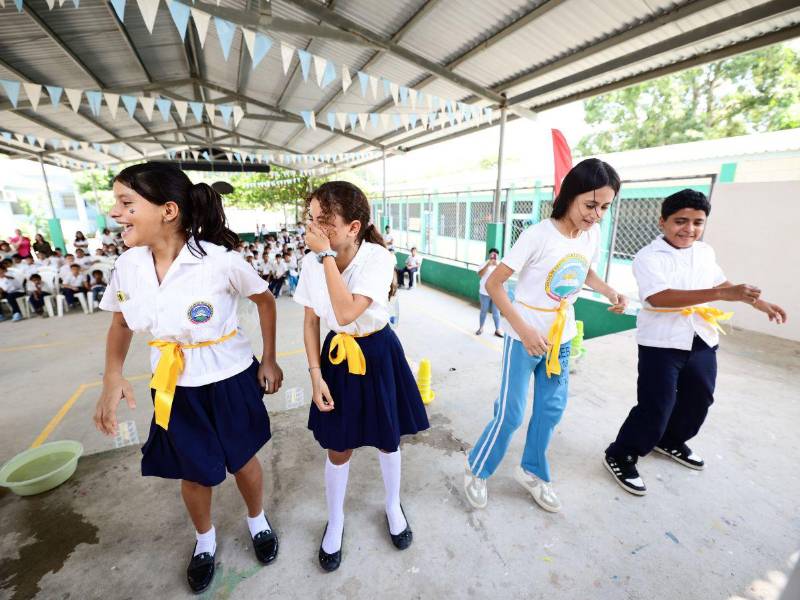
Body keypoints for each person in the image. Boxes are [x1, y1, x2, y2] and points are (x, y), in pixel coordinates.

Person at [92, 162, 284, 593]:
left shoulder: (219, 262)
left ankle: (257, 521)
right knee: (193, 472)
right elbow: (122, 323)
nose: (116, 214)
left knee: (242, 460)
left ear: (168, 210)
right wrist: (112, 375)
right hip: (174, 385)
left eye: (127, 203)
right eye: (116, 204)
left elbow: (266, 300)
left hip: (231, 378)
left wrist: (269, 359)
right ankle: (205, 540)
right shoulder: (128, 265)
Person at [463, 159, 628, 513]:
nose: (596, 215)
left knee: (551, 410)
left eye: (604, 207)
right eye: (590, 205)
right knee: (511, 413)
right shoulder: (537, 235)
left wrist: (610, 292)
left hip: (561, 336)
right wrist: (523, 331)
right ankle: (477, 470)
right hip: (524, 335)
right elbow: (494, 284)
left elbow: (584, 273)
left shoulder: (591, 235)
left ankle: (533, 471)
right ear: (569, 196)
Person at [603, 189, 787, 495]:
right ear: (662, 222)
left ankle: (671, 440)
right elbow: (659, 298)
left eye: (697, 222)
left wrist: (758, 303)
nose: (689, 229)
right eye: (681, 221)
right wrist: (720, 295)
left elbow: (721, 284)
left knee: (699, 399)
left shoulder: (704, 252)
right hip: (661, 343)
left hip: (701, 336)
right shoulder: (648, 257)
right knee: (657, 405)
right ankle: (621, 453)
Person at [294, 181, 430, 572]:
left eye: (324, 221)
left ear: (353, 227)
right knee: (338, 446)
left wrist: (325, 259)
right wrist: (315, 376)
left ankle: (392, 506)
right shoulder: (310, 261)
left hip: (377, 352)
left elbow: (347, 311)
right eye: (311, 219)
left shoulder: (377, 258)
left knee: (389, 441)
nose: (315, 229)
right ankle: (335, 520)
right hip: (337, 358)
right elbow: (310, 322)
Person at [476, 248, 504, 337]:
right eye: (492, 255)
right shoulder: (484, 263)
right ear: (489, 255)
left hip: (496, 292)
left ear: (498, 256)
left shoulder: (500, 265)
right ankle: (481, 328)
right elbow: (480, 274)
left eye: (495, 255)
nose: (493, 256)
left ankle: (497, 330)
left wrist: (497, 266)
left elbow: (504, 276)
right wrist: (488, 264)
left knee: (496, 312)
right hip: (484, 292)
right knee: (483, 310)